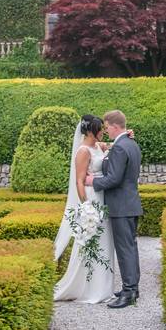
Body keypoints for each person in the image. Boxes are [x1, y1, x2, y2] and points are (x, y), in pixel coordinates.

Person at [53, 115, 116, 303]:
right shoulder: (82, 151)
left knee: (104, 240)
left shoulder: (98, 146)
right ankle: (89, 289)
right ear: (90, 131)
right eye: (99, 129)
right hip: (91, 196)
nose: (102, 132)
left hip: (102, 196)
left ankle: (103, 288)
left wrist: (126, 136)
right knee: (91, 241)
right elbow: (79, 182)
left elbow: (111, 146)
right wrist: (86, 206)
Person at [86, 109, 143, 309]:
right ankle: (133, 288)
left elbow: (114, 179)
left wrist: (93, 180)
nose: (105, 130)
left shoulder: (120, 146)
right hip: (130, 204)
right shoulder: (130, 143)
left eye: (107, 126)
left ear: (115, 126)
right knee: (131, 247)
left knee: (125, 249)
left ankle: (128, 293)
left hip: (121, 206)